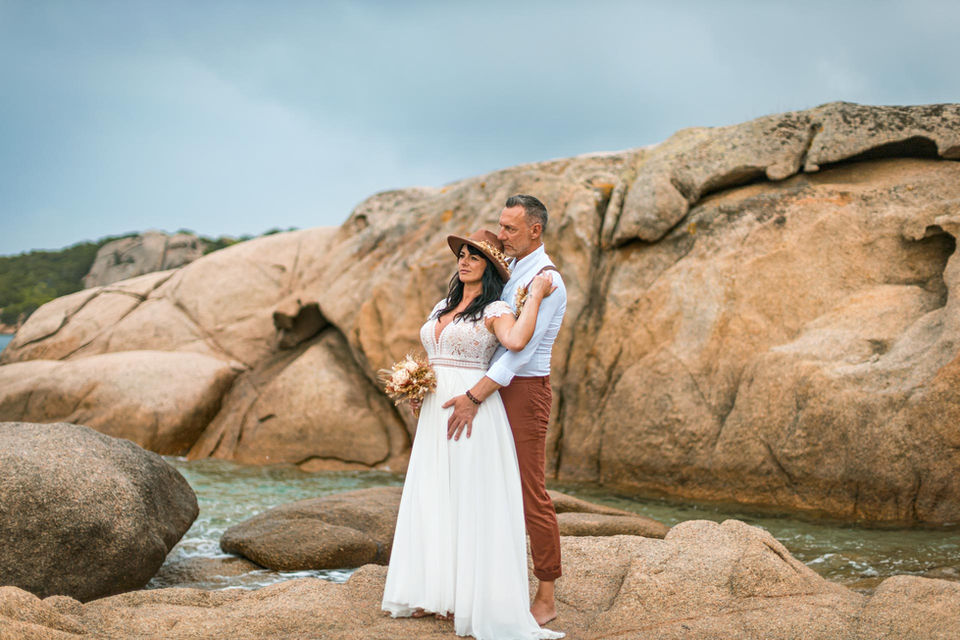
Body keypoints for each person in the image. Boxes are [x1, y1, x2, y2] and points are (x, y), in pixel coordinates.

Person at [382, 229, 564, 640]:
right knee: (435, 492)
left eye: (475, 256)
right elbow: (436, 350)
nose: (464, 261)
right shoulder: (442, 305)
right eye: (462, 254)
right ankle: (432, 592)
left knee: (468, 496)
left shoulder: (497, 307)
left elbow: (518, 342)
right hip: (435, 410)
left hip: (473, 408)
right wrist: (417, 386)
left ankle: (471, 598)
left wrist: (534, 296)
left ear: (490, 267)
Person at [443, 195, 567, 626]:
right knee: (486, 487)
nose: (502, 235)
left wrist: (474, 395)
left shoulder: (548, 280)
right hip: (492, 386)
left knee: (530, 492)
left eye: (511, 229)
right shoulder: (508, 270)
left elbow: (518, 354)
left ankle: (546, 595)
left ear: (536, 230)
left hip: (524, 390)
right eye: (501, 225)